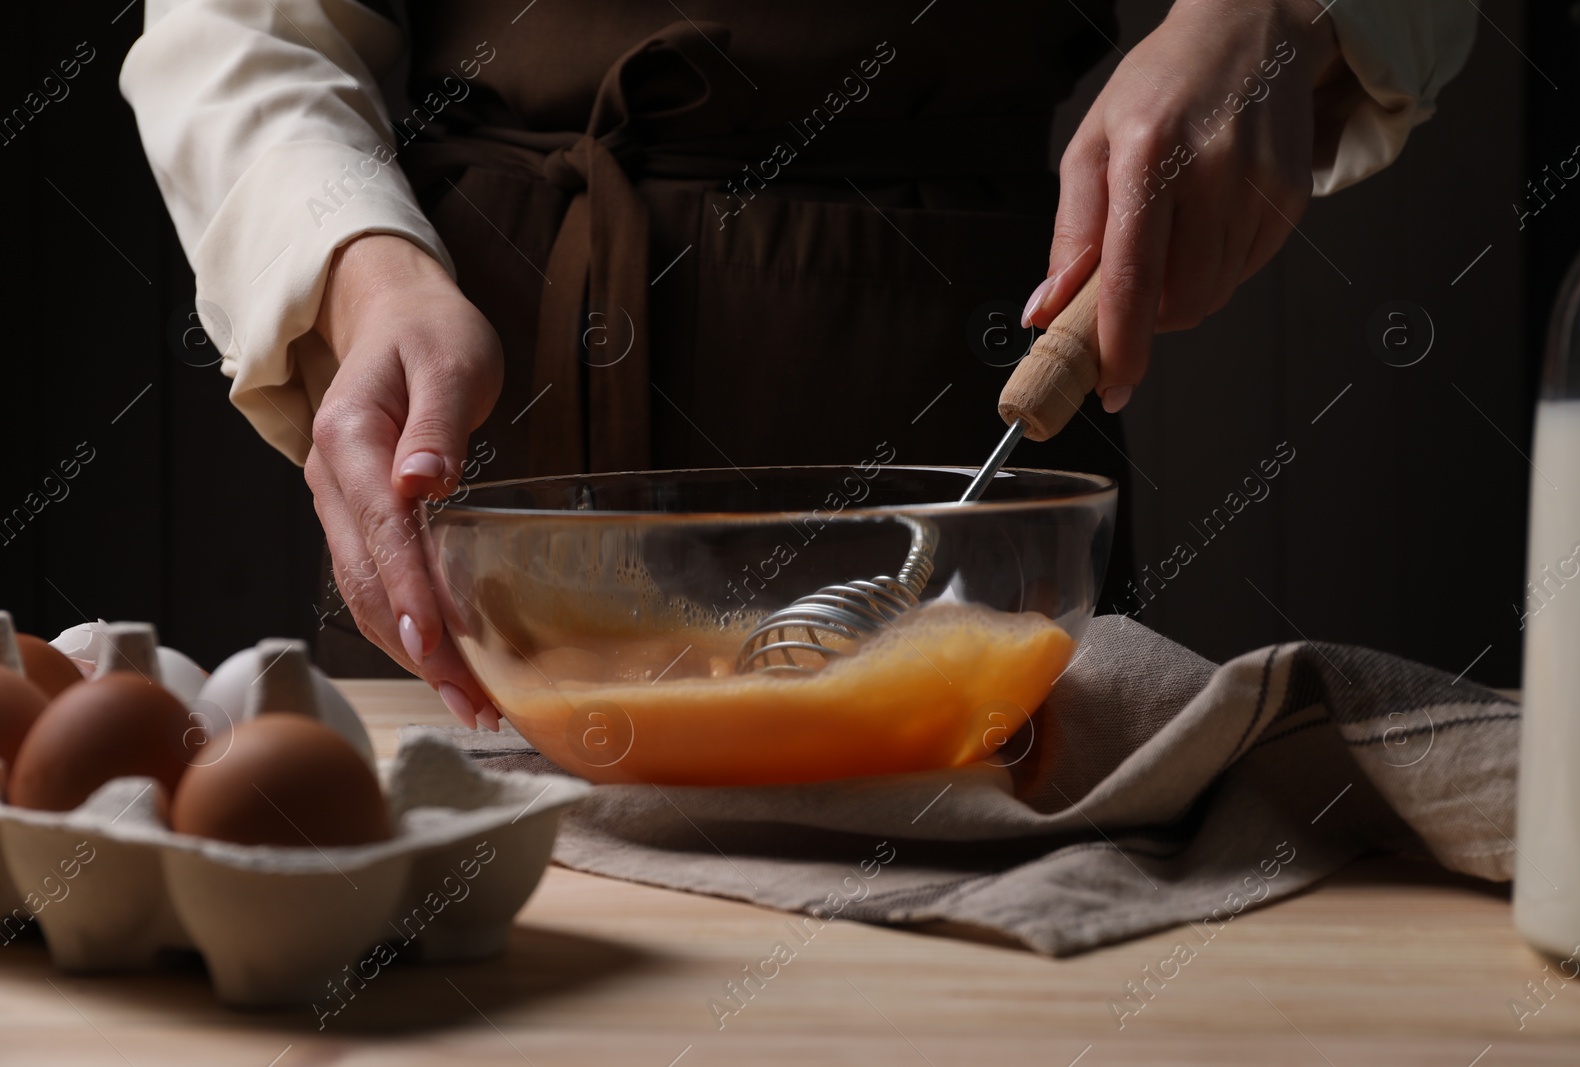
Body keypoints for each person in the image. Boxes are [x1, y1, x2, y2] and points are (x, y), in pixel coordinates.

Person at [121, 0, 1475, 727]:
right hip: (476, 471)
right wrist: (368, 277)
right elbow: (234, 29)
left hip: (940, 395)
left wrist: (1274, 14)